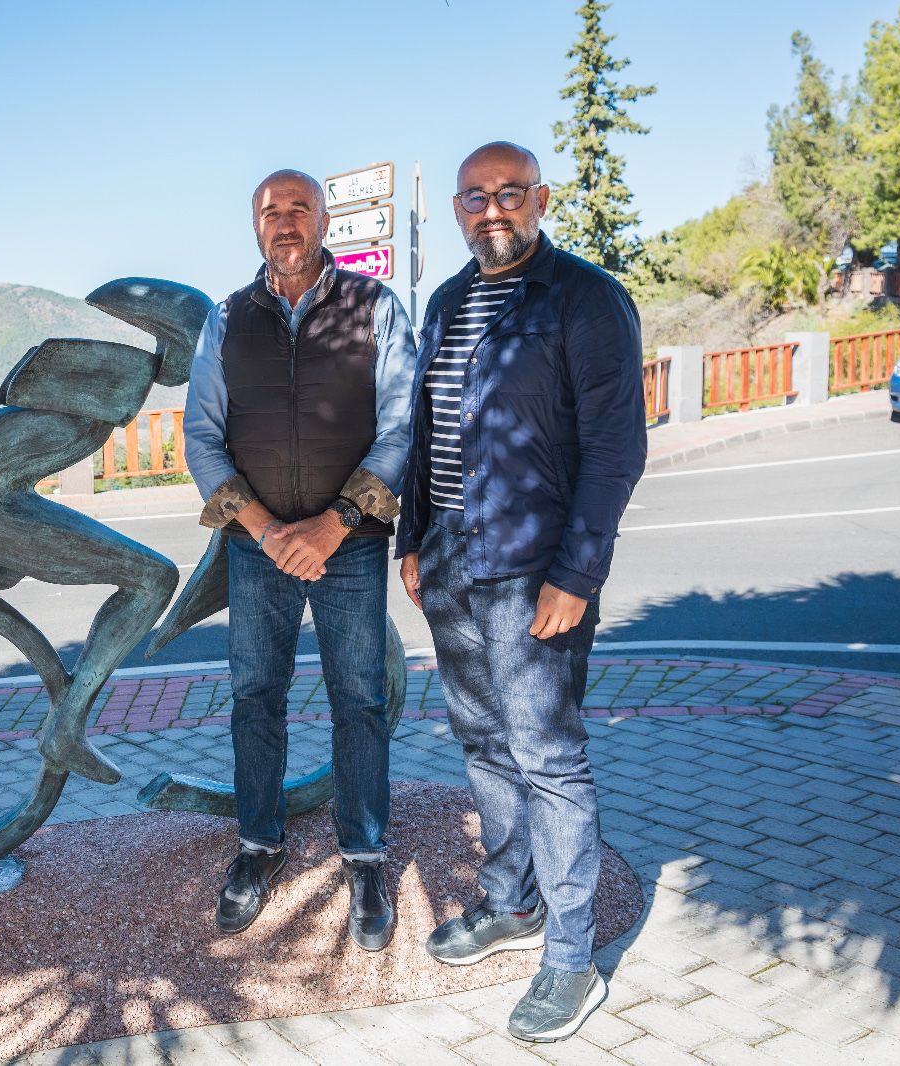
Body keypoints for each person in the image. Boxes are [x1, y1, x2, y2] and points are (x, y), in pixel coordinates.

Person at [397, 142, 645, 1042]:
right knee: (481, 742)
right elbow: (429, 427)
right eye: (475, 197)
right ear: (458, 210)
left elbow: (618, 449)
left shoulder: (584, 299)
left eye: (510, 193)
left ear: (539, 198)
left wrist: (577, 575)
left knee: (547, 755)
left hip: (536, 566)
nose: (492, 210)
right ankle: (511, 904)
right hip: (451, 557)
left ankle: (571, 961)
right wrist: (411, 539)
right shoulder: (448, 300)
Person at [184, 169, 416, 952]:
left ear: (325, 221)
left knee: (359, 699)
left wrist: (335, 522)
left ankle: (365, 857)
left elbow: (399, 425)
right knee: (256, 698)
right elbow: (202, 436)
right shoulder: (225, 320)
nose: (284, 222)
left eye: (298, 209)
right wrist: (265, 527)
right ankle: (258, 846)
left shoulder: (375, 308)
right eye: (269, 212)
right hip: (257, 548)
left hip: (348, 548)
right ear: (255, 227)